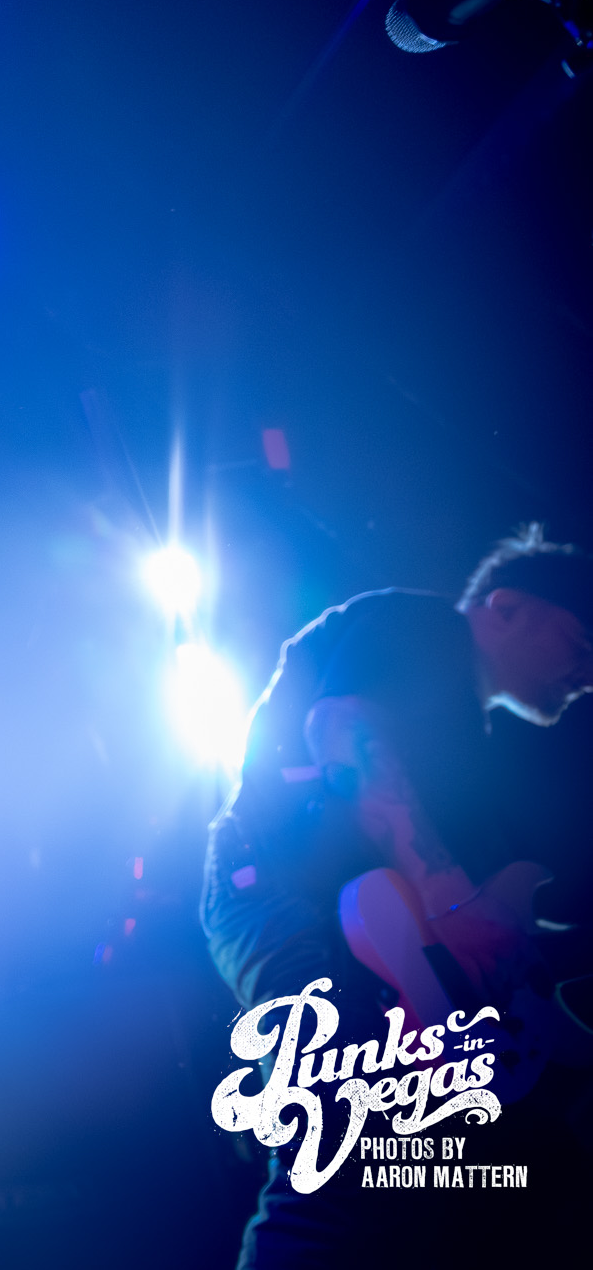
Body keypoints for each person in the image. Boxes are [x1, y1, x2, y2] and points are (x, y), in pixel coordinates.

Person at [202, 527, 593, 1265]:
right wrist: (448, 895)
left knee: (475, 1163)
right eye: (580, 641)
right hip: (287, 894)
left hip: (351, 917)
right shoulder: (424, 623)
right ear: (506, 608)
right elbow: (341, 726)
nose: (586, 672)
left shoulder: (470, 741)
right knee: (344, 1146)